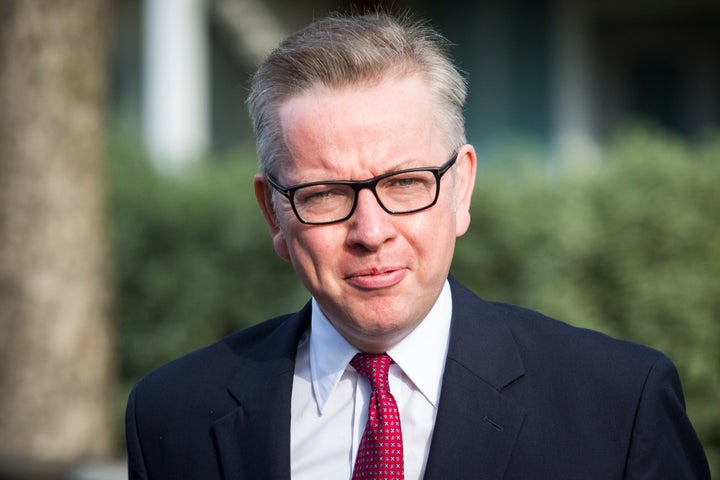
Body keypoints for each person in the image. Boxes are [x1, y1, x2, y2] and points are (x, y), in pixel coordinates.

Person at [125, 11, 710, 480]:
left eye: (405, 184)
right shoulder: (174, 417)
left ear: (461, 188)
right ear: (273, 212)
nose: (371, 231)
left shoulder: (618, 406)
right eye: (325, 194)